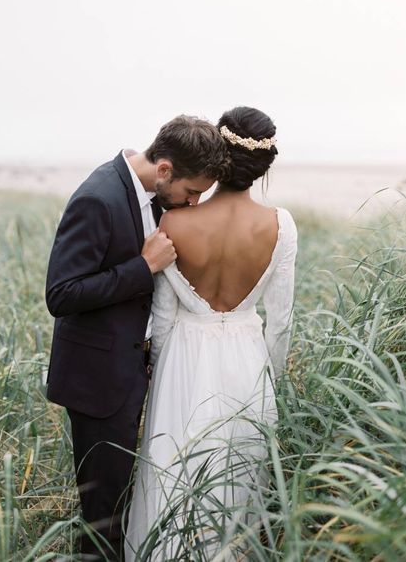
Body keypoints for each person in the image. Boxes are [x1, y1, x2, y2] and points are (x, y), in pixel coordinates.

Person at [44, 115, 230, 561]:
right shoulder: (98, 198)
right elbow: (61, 294)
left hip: (128, 372)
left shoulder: (149, 192)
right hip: (97, 381)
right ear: (165, 169)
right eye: (191, 192)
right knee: (103, 516)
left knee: (118, 500)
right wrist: (141, 268)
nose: (193, 202)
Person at [124, 106, 298, 561]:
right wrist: (271, 380)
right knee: (237, 475)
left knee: (172, 473)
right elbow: (281, 321)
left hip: (184, 355)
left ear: (217, 155)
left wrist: (159, 373)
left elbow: (160, 319)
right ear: (265, 166)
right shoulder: (280, 226)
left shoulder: (175, 222)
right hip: (247, 360)